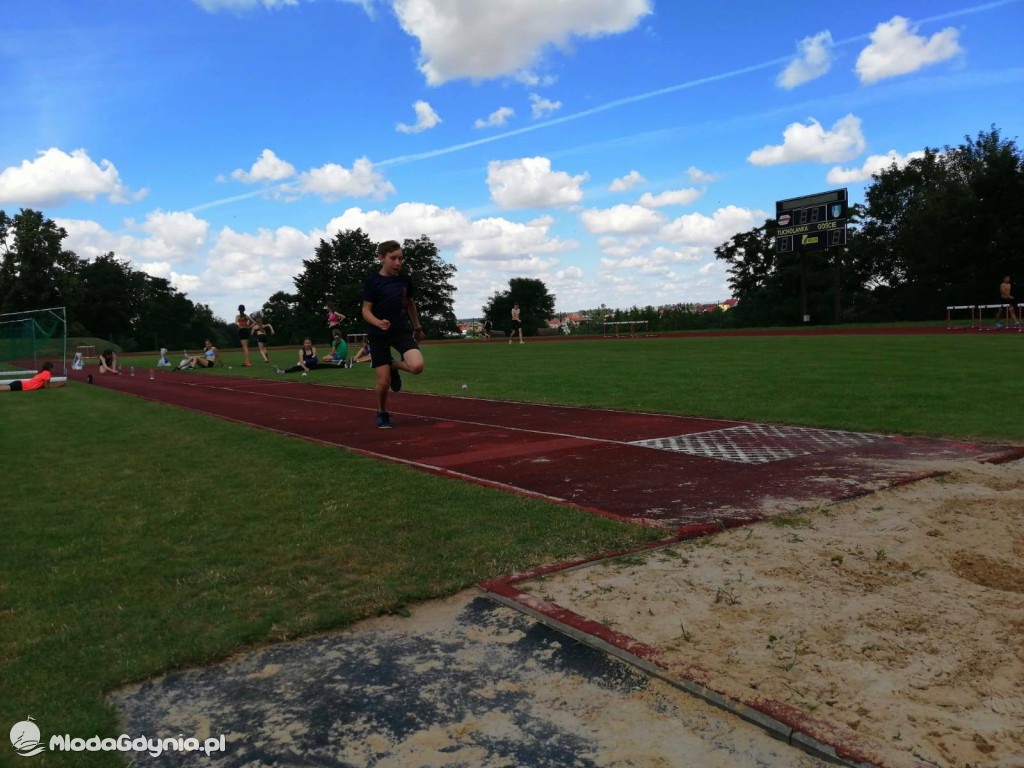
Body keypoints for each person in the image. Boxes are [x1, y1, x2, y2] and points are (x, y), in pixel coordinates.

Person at [362, 240, 426, 429]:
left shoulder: (405, 280)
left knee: (417, 366)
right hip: (378, 333)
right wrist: (378, 323)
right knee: (384, 382)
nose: (398, 263)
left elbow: (411, 303)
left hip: (400, 330)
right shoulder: (373, 281)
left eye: (400, 258)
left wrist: (417, 328)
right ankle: (382, 412)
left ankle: (392, 365)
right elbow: (365, 310)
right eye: (393, 258)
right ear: (381, 258)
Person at [1, 362, 66, 392]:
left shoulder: (44, 372)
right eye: (53, 368)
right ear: (50, 369)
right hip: (21, 385)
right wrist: (59, 385)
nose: (54, 370)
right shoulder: (47, 373)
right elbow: (47, 387)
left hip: (20, 384)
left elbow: (44, 385)